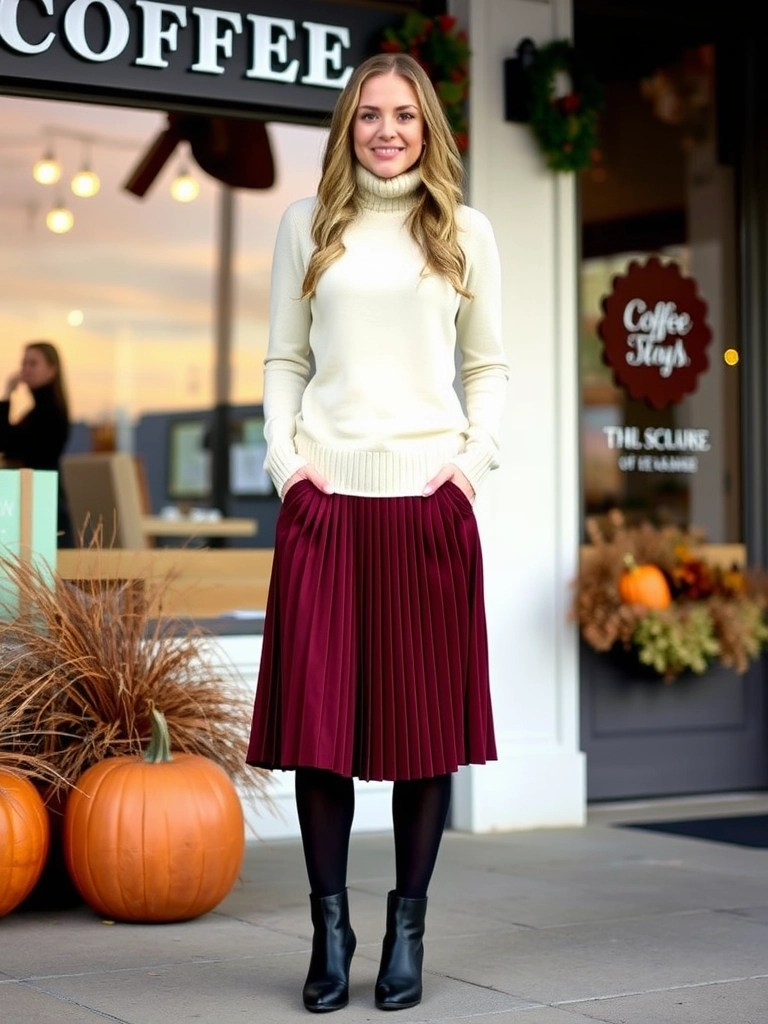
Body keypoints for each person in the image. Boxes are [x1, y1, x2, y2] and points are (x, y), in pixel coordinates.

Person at [246, 51, 509, 1014]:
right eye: (368, 116)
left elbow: (489, 369)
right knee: (322, 737)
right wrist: (289, 471)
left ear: (427, 125)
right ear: (346, 127)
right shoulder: (307, 225)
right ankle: (330, 929)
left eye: (402, 114)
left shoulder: (464, 233)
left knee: (420, 739)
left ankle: (406, 928)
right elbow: (283, 355)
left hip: (429, 512)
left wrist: (469, 472)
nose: (386, 130)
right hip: (325, 509)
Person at [0, 340, 72, 545]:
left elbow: (7, 443)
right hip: (38, 501)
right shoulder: (37, 412)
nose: (25, 370)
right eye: (24, 364)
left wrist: (7, 395)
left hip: (44, 504)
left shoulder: (50, 412)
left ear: (52, 370)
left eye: (33, 363)